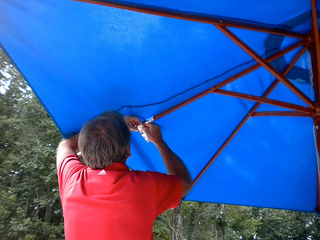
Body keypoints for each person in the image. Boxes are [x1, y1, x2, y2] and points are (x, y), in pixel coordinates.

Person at [56, 111, 192, 240]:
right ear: (128, 151)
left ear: (84, 154)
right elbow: (185, 184)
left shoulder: (72, 181)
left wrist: (114, 128)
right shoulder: (145, 186)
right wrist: (159, 142)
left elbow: (65, 145)